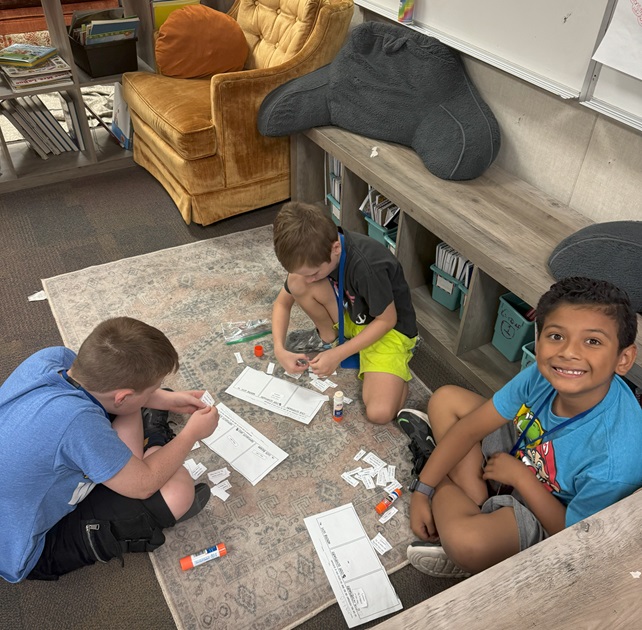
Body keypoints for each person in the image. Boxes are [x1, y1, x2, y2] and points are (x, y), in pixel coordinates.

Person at [396, 277, 642, 578]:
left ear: (624, 358)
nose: (568, 353)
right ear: (537, 341)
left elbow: (573, 534)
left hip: (547, 506)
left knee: (469, 543)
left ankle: (439, 470)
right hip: (519, 449)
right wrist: (421, 491)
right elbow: (471, 428)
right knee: (445, 399)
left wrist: (521, 479)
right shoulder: (545, 374)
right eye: (556, 336)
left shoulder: (616, 460)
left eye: (592, 341)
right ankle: (470, 500)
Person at [0, 317, 219, 583]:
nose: (156, 391)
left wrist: (166, 398)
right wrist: (191, 434)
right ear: (123, 395)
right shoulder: (79, 424)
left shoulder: (53, 357)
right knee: (177, 492)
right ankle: (154, 438)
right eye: (152, 389)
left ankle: (148, 435)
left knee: (128, 423)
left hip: (24, 491)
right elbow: (144, 484)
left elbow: (106, 400)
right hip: (27, 549)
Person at [271, 201, 419, 424]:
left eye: (314, 273)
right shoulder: (319, 253)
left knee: (378, 414)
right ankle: (329, 339)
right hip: (353, 315)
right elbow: (282, 304)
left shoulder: (368, 266)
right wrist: (279, 349)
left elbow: (388, 320)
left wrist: (338, 355)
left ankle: (396, 374)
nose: (311, 279)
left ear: (336, 249)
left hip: (387, 331)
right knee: (296, 282)